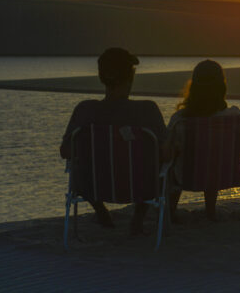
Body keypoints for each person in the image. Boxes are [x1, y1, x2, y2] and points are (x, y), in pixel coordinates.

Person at [59, 47, 166, 234]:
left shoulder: (85, 111)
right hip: (142, 187)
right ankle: (138, 219)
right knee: (162, 165)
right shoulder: (147, 110)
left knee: (77, 166)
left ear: (102, 77)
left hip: (93, 186)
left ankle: (100, 210)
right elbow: (165, 153)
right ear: (130, 77)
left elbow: (65, 151)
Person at [167, 59, 240, 221]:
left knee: (174, 162)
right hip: (222, 174)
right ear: (221, 87)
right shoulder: (235, 116)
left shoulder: (181, 120)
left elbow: (169, 149)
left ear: (194, 87)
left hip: (187, 176)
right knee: (213, 157)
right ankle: (210, 211)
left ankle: (170, 211)